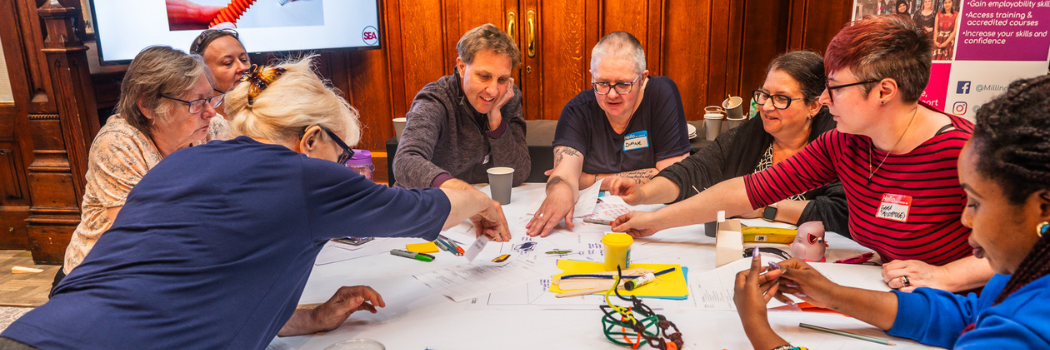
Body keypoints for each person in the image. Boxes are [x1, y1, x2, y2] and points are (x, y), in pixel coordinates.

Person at [0, 57, 512, 350]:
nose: (344, 168)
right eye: (342, 154)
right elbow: (431, 208)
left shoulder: (178, 164)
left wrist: (309, 318)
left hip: (33, 334)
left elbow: (197, 286)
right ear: (311, 139)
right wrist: (481, 202)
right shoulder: (304, 177)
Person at [613, 15, 993, 293]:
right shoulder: (847, 141)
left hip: (958, 308)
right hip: (888, 292)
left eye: (836, 88)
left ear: (884, 91)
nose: (826, 100)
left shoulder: (963, 152)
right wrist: (656, 221)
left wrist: (947, 276)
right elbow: (745, 191)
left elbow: (1031, 247)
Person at [732, 75, 1050, 350]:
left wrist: (757, 326)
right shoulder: (1019, 277)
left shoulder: (1023, 331)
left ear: (1043, 208)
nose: (966, 219)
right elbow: (966, 315)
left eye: (976, 203)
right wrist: (830, 294)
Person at [608, 51, 849, 235]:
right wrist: (643, 193)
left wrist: (764, 208)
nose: (765, 106)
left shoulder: (835, 142)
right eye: (764, 95)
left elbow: (840, 213)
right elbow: (696, 170)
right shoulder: (755, 132)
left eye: (781, 99)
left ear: (814, 105)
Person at [57, 46, 230, 287]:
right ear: (147, 106)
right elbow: (140, 231)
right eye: (197, 103)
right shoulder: (118, 143)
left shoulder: (213, 129)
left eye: (210, 98)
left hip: (181, 261)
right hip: (104, 274)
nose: (211, 111)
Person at [526, 31, 691, 237]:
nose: (612, 94)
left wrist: (589, 180)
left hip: (653, 220)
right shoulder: (577, 110)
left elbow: (674, 176)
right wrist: (561, 189)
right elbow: (565, 174)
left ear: (643, 78)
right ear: (592, 76)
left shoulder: (661, 95)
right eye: (602, 83)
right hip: (592, 226)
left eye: (623, 84)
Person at [393, 24, 530, 214]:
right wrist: (466, 194)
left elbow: (518, 174)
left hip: (476, 210)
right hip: (422, 209)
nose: (493, 90)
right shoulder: (435, 99)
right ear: (462, 67)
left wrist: (496, 121)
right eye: (484, 76)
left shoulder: (508, 97)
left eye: (502, 79)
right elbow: (405, 162)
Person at [190, 28, 250, 119]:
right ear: (202, 71)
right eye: (228, 63)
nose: (243, 68)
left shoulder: (270, 108)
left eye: (244, 60)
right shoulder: (197, 125)